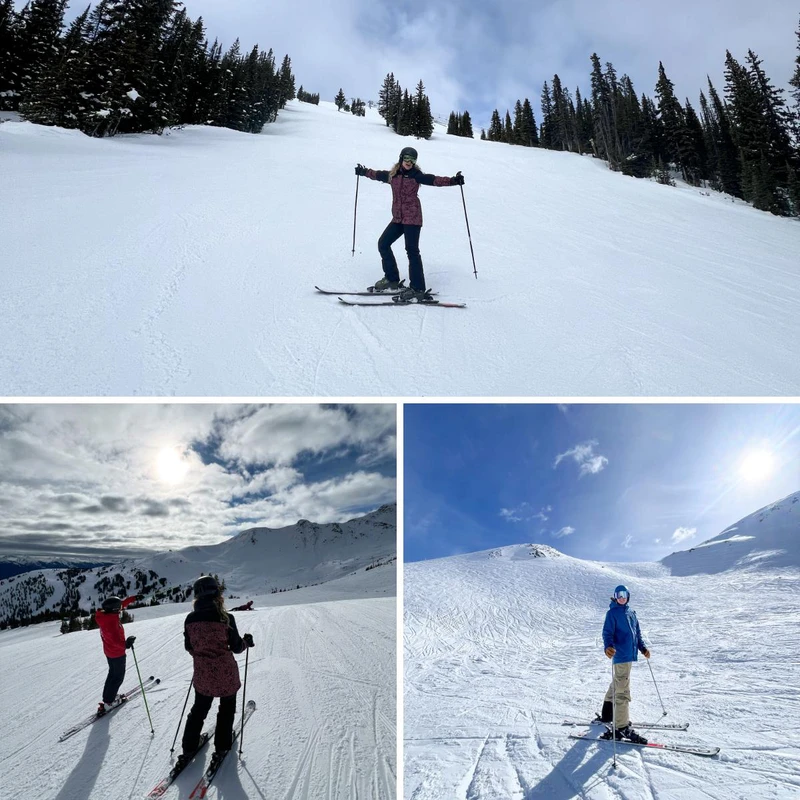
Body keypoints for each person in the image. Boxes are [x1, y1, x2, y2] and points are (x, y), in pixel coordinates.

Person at [355, 147, 464, 302]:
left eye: (413, 160)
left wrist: (454, 180)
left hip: (413, 218)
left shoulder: (416, 176)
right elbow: (377, 175)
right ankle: (392, 279)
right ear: (401, 158)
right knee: (383, 243)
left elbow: (435, 180)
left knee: (412, 251)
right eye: (407, 158)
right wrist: (363, 171)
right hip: (398, 219)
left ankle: (418, 288)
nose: (409, 162)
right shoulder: (393, 176)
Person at [176, 576, 255, 773]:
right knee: (226, 710)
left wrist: (202, 654)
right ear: (217, 595)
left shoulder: (190, 619)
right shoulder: (225, 618)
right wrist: (246, 642)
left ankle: (189, 747)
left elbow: (188, 646)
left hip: (203, 674)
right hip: (226, 673)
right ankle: (222, 747)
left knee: (198, 711)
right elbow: (237, 648)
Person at [599, 584, 650, 744]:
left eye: (624, 594)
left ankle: (607, 715)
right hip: (619, 655)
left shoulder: (631, 613)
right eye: (618, 594)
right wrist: (608, 647)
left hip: (630, 655)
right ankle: (621, 727)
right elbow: (607, 633)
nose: (621, 597)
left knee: (618, 683)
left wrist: (642, 648)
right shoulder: (612, 613)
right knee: (622, 690)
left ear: (628, 596)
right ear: (615, 596)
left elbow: (637, 633)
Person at [95, 594, 140, 715]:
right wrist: (126, 644)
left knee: (112, 675)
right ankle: (109, 702)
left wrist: (132, 599)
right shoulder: (111, 623)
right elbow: (114, 641)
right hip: (117, 653)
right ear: (115, 610)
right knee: (118, 677)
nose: (121, 609)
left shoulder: (105, 615)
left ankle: (108, 698)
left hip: (109, 652)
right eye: (119, 608)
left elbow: (119, 606)